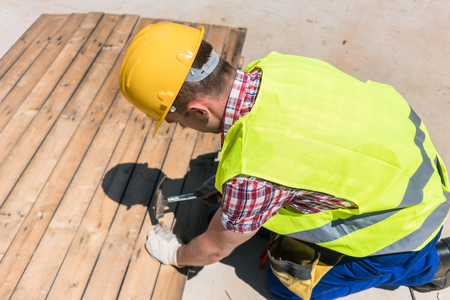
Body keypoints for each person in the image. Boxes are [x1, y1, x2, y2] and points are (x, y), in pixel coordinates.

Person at [119, 23, 450, 300]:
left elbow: (214, 250)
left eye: (178, 121)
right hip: (416, 169)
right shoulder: (276, 67)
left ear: (197, 111)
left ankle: (429, 268)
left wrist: (175, 253)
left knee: (287, 285)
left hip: (405, 228)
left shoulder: (250, 174)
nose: (182, 128)